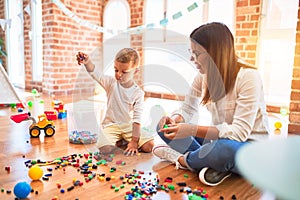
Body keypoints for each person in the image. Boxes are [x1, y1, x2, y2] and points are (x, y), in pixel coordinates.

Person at [152, 22, 270, 186]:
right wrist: (176, 119)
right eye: (191, 52)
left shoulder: (249, 77)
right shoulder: (203, 76)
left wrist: (190, 129)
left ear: (216, 53)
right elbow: (188, 108)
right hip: (218, 141)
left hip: (250, 149)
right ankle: (212, 163)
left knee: (222, 149)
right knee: (163, 128)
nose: (192, 59)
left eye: (197, 53)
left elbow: (239, 133)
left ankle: (182, 159)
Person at [76, 48, 154, 156]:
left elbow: (137, 119)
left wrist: (134, 142)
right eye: (116, 70)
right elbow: (96, 73)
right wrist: (87, 62)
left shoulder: (138, 93)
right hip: (111, 125)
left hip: (128, 126)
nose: (119, 75)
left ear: (135, 71)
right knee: (104, 149)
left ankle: (124, 140)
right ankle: (121, 140)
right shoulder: (111, 83)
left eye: (124, 72)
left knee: (149, 146)